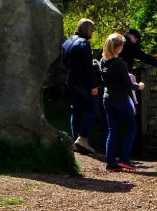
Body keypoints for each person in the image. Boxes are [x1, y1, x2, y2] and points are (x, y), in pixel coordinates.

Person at [99, 32, 145, 172]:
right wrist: (139, 86)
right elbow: (127, 85)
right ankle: (124, 159)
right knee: (131, 127)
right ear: (118, 47)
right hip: (120, 99)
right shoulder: (120, 63)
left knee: (113, 131)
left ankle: (110, 163)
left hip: (108, 98)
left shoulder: (103, 61)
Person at [60, 19, 99, 154]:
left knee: (76, 110)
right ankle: (83, 137)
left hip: (70, 80)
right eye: (92, 30)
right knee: (92, 110)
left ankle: (74, 138)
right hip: (83, 82)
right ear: (87, 29)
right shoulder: (84, 44)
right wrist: (93, 86)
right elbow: (88, 68)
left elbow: (64, 61)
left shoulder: (67, 42)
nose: (93, 33)